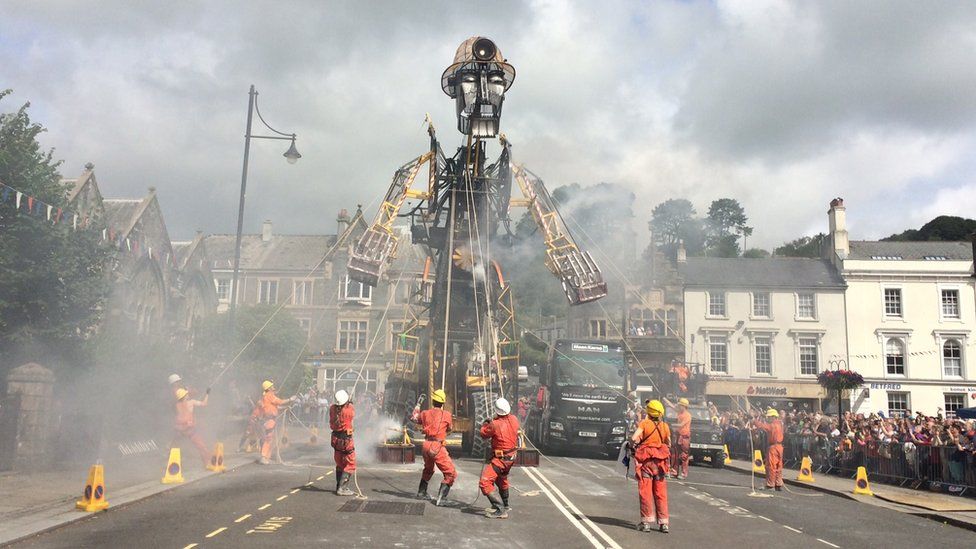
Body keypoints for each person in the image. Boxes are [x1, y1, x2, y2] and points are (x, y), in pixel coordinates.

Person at [411, 388, 456, 505]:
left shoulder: (425, 413)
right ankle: (442, 498)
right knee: (451, 473)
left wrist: (418, 405)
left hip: (426, 445)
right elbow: (450, 428)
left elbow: (414, 418)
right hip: (437, 446)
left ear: (433, 400)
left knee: (428, 469)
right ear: (443, 402)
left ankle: (421, 492)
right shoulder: (446, 415)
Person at [632, 399, 671, 533]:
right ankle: (664, 523)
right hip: (660, 463)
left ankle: (646, 522)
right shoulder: (665, 426)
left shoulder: (644, 423)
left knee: (645, 491)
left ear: (648, 411)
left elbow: (634, 438)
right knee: (660, 493)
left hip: (646, 461)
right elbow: (668, 443)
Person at [479, 397, 520, 519]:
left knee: (485, 482)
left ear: (497, 410)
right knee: (501, 479)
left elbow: (484, 434)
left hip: (501, 459)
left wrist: (486, 424)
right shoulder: (514, 419)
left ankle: (500, 508)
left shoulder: (495, 424)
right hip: (511, 457)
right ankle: (506, 504)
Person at [254, 380, 296, 465]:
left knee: (270, 439)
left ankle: (266, 458)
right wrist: (290, 399)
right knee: (268, 438)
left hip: (270, 419)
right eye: (271, 386)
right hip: (269, 420)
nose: (273, 387)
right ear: (268, 388)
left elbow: (276, 407)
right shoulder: (269, 395)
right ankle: (263, 457)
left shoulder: (267, 397)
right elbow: (279, 401)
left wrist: (285, 407)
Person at [173, 387, 211, 467]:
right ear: (184, 396)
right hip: (190, 430)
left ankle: (171, 464)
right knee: (202, 447)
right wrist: (207, 394)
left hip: (181, 430)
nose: (188, 394)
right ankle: (207, 463)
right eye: (186, 394)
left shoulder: (177, 405)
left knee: (175, 447)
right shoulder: (191, 402)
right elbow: (204, 404)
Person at [330, 389, 356, 496]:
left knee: (340, 463)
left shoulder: (332, 408)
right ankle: (342, 488)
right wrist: (349, 402)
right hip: (346, 440)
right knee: (350, 463)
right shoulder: (349, 410)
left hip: (336, 439)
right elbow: (352, 414)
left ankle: (338, 486)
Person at [751, 408, 784, 490]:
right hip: (780, 447)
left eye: (769, 417)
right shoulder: (780, 424)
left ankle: (770, 484)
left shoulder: (773, 425)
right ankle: (778, 484)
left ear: (773, 417)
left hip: (773, 447)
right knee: (778, 466)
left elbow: (762, 426)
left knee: (771, 466)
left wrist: (754, 420)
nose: (768, 418)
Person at [672, 398, 692, 480]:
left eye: (680, 405)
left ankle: (684, 473)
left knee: (684, 456)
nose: (679, 407)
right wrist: (665, 399)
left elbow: (681, 425)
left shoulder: (687, 415)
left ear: (684, 406)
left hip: (684, 437)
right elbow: (672, 406)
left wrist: (671, 425)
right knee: (675, 454)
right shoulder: (680, 412)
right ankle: (674, 472)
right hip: (678, 435)